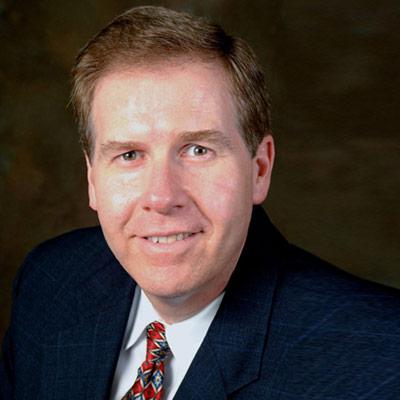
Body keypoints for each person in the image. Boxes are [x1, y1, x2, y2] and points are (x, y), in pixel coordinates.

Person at [1, 6, 399, 400]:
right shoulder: (51, 281)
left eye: (197, 150)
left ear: (260, 168)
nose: (161, 197)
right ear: (92, 178)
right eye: (129, 155)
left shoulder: (380, 359)